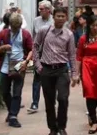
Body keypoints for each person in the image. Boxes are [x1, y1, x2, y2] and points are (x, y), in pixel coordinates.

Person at [32, 7, 77, 135]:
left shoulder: (69, 34)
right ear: (53, 16)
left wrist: (74, 73)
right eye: (58, 16)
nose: (60, 18)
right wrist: (37, 64)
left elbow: (72, 55)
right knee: (49, 101)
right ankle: (52, 128)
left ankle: (62, 126)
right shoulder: (44, 31)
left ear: (66, 18)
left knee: (63, 98)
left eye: (63, 16)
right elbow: (35, 46)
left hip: (62, 70)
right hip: (46, 70)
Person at [0, 13, 33, 128]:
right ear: (9, 25)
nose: (15, 29)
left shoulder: (25, 34)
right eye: (13, 27)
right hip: (5, 66)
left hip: (19, 65)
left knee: (17, 92)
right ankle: (12, 111)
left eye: (17, 27)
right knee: (4, 91)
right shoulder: (3, 33)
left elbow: (31, 50)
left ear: (21, 25)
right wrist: (3, 48)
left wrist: (26, 62)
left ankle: (13, 117)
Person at [28, 0, 54, 114]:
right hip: (39, 53)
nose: (39, 11)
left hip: (52, 54)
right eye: (39, 9)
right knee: (37, 78)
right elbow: (34, 38)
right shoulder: (36, 21)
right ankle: (34, 103)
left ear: (48, 10)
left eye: (41, 9)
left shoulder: (54, 21)